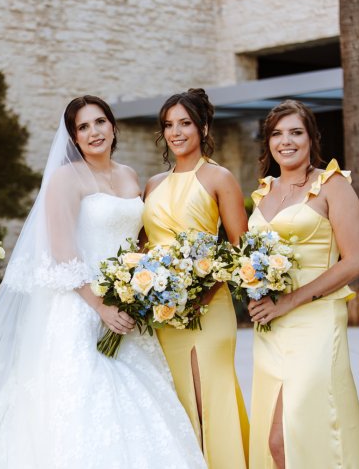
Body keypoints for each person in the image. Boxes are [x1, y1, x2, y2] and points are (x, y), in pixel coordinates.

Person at [0, 95, 205, 469]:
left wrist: (138, 289)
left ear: (114, 126)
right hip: (81, 305)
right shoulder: (66, 178)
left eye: (100, 122)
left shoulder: (130, 176)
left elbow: (137, 243)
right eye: (83, 127)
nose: (93, 132)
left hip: (125, 307)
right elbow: (62, 252)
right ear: (73, 137)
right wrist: (101, 306)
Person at [246, 100, 359, 468]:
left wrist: (290, 301)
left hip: (316, 320)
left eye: (295, 132)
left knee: (289, 436)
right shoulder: (264, 191)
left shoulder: (333, 185)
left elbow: (355, 261)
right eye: (277, 134)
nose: (285, 141)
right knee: (278, 439)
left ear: (312, 138)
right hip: (271, 326)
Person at [142, 88, 249, 468]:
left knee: (210, 401)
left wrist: (202, 291)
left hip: (209, 308)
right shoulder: (153, 184)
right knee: (176, 404)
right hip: (163, 314)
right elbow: (144, 247)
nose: (176, 132)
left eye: (185, 123)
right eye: (169, 125)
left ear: (202, 128)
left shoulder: (220, 177)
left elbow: (239, 248)